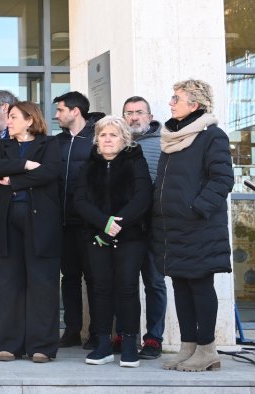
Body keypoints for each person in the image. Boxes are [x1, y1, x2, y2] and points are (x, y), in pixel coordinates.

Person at [153, 79, 233, 372]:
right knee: (181, 285)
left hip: (198, 225)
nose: (171, 102)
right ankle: (188, 347)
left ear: (194, 105)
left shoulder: (212, 136)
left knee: (199, 284)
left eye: (177, 98)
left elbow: (222, 179)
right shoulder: (173, 138)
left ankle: (207, 349)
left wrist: (195, 209)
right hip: (172, 226)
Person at [0, 101, 62, 363]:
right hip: (7, 222)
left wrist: (14, 180)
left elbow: (50, 173)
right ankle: (9, 344)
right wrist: (27, 165)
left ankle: (41, 346)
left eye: (14, 117)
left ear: (30, 120)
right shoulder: (1, 145)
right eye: (8, 117)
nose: (9, 121)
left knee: (42, 283)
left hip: (41, 222)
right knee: (9, 282)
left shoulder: (50, 145)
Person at [73, 116, 152, 368]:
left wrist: (116, 224)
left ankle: (130, 344)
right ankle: (103, 345)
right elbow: (80, 200)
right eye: (103, 135)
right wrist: (104, 223)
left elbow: (142, 198)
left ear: (124, 139)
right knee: (101, 290)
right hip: (97, 237)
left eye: (113, 135)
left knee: (128, 289)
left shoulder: (135, 161)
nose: (107, 139)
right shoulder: (90, 164)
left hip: (130, 238)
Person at [114, 97, 165, 360]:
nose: (134, 117)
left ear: (150, 115)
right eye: (129, 113)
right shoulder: (118, 145)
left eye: (139, 112)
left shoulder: (165, 142)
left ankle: (154, 339)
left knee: (155, 283)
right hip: (126, 226)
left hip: (155, 225)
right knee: (125, 283)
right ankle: (124, 333)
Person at [53, 91, 104, 349]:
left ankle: (96, 332)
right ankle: (72, 330)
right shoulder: (56, 142)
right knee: (69, 278)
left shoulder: (96, 139)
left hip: (89, 223)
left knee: (94, 278)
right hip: (63, 223)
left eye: (60, 110)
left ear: (75, 111)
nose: (56, 115)